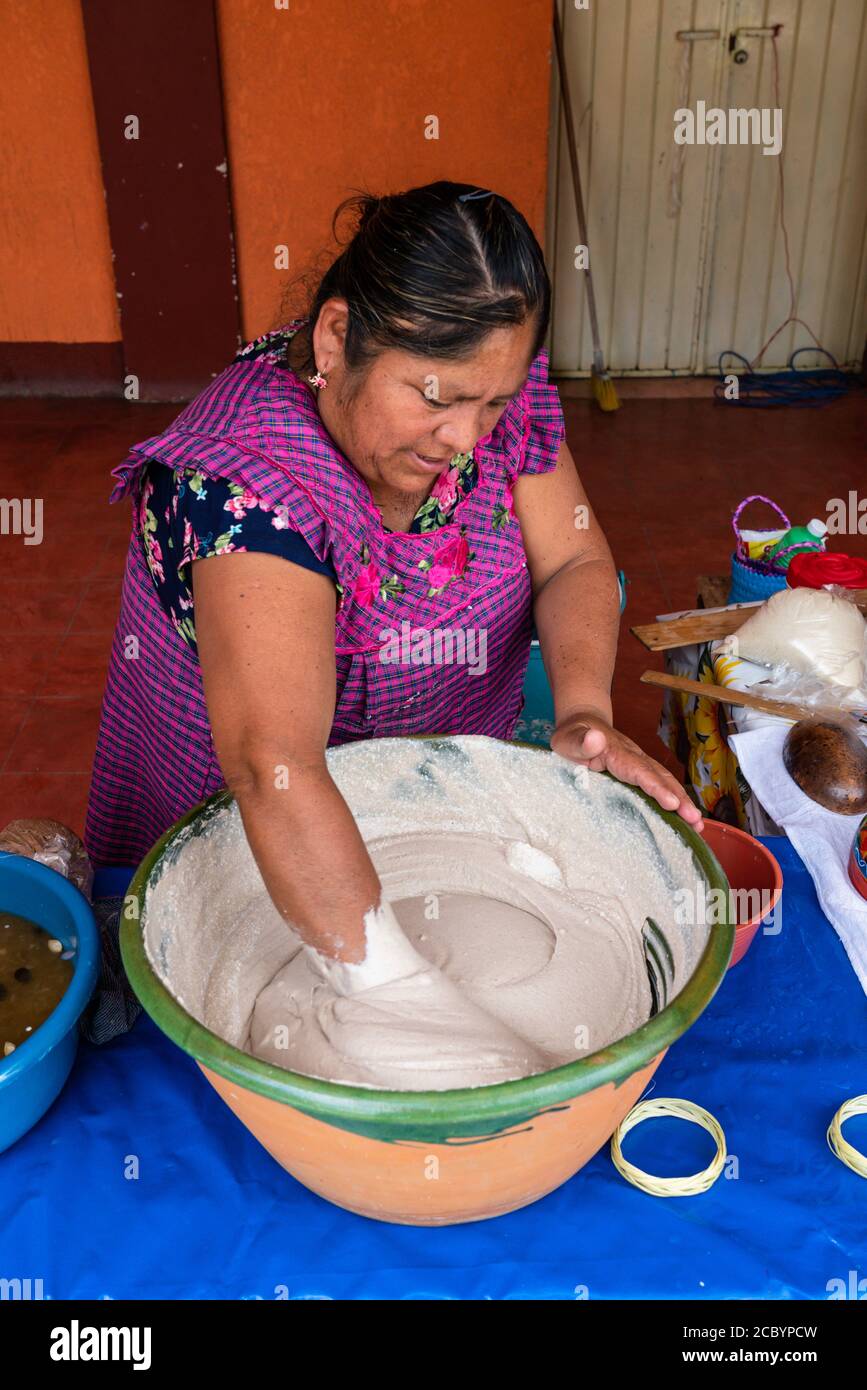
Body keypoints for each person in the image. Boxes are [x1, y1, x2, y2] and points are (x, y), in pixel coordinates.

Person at [85, 180, 702, 975]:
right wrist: (404, 1006)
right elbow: (276, 773)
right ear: (337, 336)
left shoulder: (488, 393)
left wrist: (583, 708)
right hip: (257, 860)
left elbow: (575, 558)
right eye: (436, 398)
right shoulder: (241, 489)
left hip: (439, 816)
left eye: (492, 404)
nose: (465, 435)